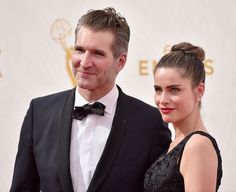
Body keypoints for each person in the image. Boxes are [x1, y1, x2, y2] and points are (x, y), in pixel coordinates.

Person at [10, 7, 171, 192]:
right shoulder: (39, 113)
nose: (85, 62)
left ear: (120, 61)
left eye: (98, 53)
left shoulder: (150, 123)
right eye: (79, 50)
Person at [143, 42, 223, 191]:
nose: (163, 100)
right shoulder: (176, 143)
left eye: (174, 90)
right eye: (158, 90)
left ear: (199, 91)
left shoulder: (197, 145)